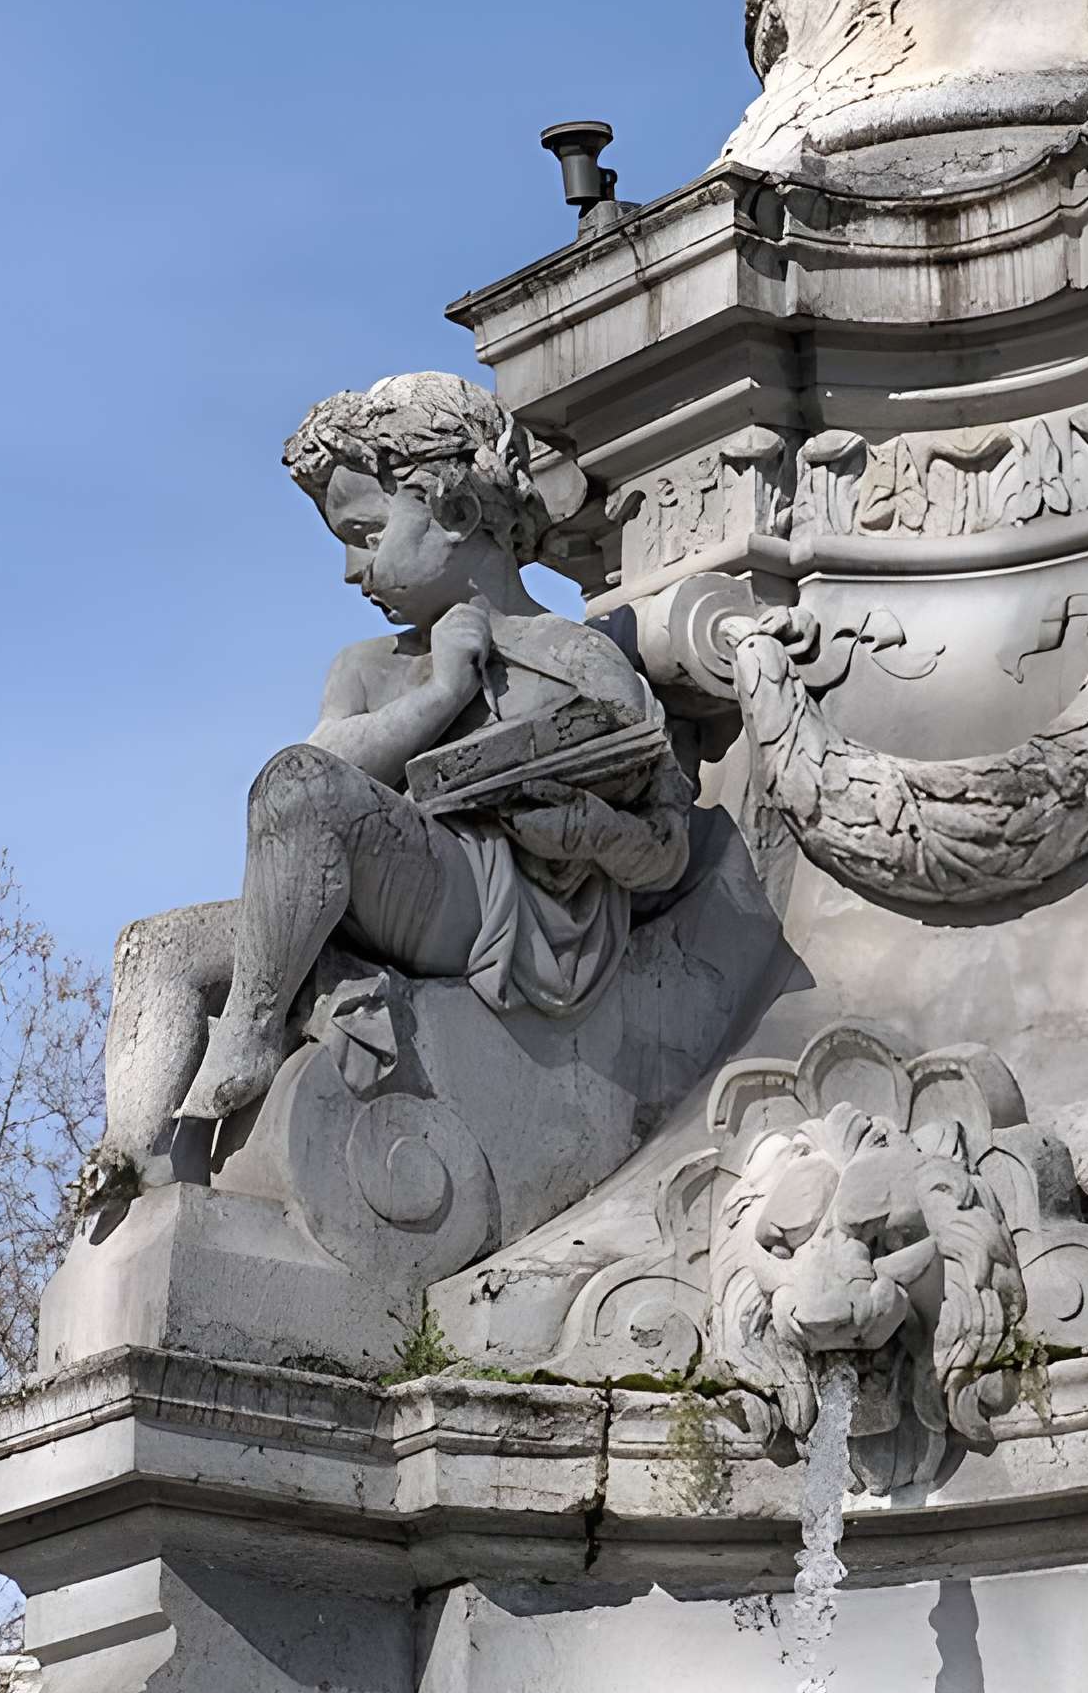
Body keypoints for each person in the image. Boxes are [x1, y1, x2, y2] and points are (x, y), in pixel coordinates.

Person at [84, 374, 689, 1193]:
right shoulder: (367, 669)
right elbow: (298, 796)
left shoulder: (575, 659)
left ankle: (253, 1033)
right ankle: (139, 1159)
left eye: (366, 533)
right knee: (157, 948)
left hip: (494, 915)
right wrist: (441, 695)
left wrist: (580, 829)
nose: (347, 568)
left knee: (301, 789)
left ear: (459, 513)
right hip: (360, 901)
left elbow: (665, 850)